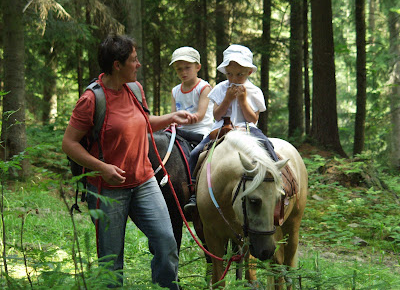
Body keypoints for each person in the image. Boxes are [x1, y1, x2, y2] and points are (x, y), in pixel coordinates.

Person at [62, 34, 198, 289]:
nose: (138, 65)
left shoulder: (134, 90)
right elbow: (68, 144)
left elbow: (144, 124)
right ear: (117, 65)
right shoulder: (92, 100)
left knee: (166, 242)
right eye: (134, 60)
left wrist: (171, 117)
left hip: (145, 181)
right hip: (107, 191)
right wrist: (102, 168)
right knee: (111, 261)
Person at [185, 44, 278, 212]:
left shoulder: (254, 91)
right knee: (196, 152)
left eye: (239, 74)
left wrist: (243, 100)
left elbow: (253, 118)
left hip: (247, 128)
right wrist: (227, 99)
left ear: (249, 72)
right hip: (222, 127)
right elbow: (216, 115)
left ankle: (277, 183)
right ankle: (193, 192)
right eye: (229, 74)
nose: (234, 78)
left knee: (268, 147)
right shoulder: (221, 88)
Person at [170, 46, 213, 140]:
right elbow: (173, 115)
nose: (183, 72)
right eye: (179, 69)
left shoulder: (204, 88)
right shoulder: (175, 91)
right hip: (180, 131)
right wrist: (172, 121)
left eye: (187, 68)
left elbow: (200, 116)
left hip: (200, 130)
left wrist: (184, 118)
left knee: (198, 152)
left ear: (198, 67)